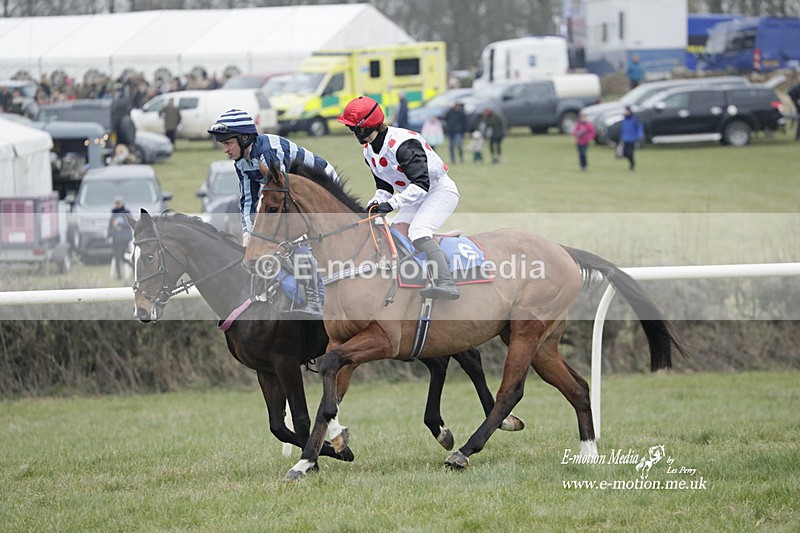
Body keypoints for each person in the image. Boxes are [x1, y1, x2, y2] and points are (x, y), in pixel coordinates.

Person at [207, 109, 340, 319]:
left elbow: (281, 198)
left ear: (244, 138)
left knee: (301, 244)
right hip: (290, 195)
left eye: (227, 143)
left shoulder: (269, 152)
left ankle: (316, 302)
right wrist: (248, 234)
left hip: (320, 186)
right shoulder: (242, 161)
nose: (225, 149)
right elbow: (248, 201)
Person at [337, 96, 460, 300]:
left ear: (364, 128)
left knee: (419, 231)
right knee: (395, 233)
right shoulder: (368, 151)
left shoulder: (404, 144)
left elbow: (421, 185)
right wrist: (373, 205)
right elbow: (384, 188)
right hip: (415, 196)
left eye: (353, 128)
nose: (351, 133)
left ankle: (446, 281)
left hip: (439, 192)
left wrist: (391, 204)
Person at [107, 196, 133, 280]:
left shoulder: (126, 212)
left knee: (122, 256)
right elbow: (110, 226)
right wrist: (109, 236)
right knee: (117, 257)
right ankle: (119, 276)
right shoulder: (114, 213)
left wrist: (120, 223)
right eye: (116, 203)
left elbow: (129, 224)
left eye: (119, 203)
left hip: (124, 239)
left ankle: (133, 267)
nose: (117, 204)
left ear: (122, 203)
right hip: (116, 239)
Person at [618, 106, 644, 171]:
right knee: (625, 153)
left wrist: (639, 135)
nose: (626, 112)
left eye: (627, 111)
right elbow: (623, 129)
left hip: (632, 139)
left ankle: (632, 163)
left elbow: (639, 128)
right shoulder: (624, 119)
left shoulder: (634, 119)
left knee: (630, 152)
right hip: (625, 138)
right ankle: (632, 162)